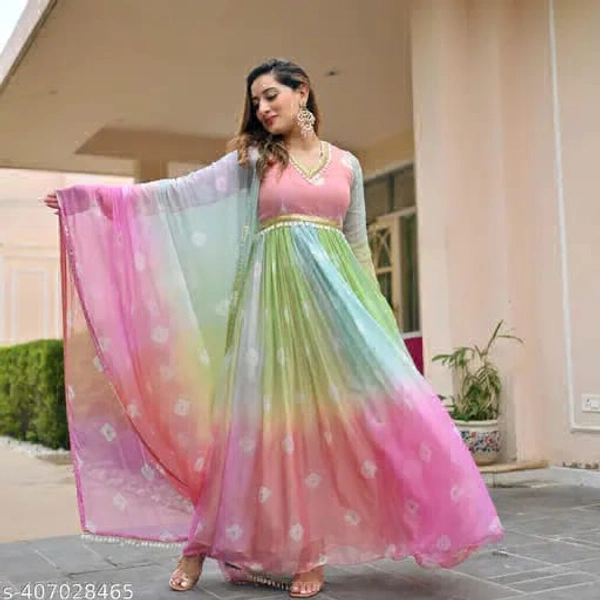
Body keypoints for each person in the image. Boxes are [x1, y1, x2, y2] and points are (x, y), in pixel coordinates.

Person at [45, 58, 503, 598]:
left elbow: (357, 247)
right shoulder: (256, 159)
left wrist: (378, 317)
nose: (262, 108)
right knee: (250, 434)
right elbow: (178, 194)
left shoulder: (347, 165)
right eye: (255, 101)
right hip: (270, 317)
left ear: (301, 92)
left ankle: (312, 552)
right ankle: (197, 546)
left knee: (382, 414)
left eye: (270, 96)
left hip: (338, 314)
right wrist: (91, 200)